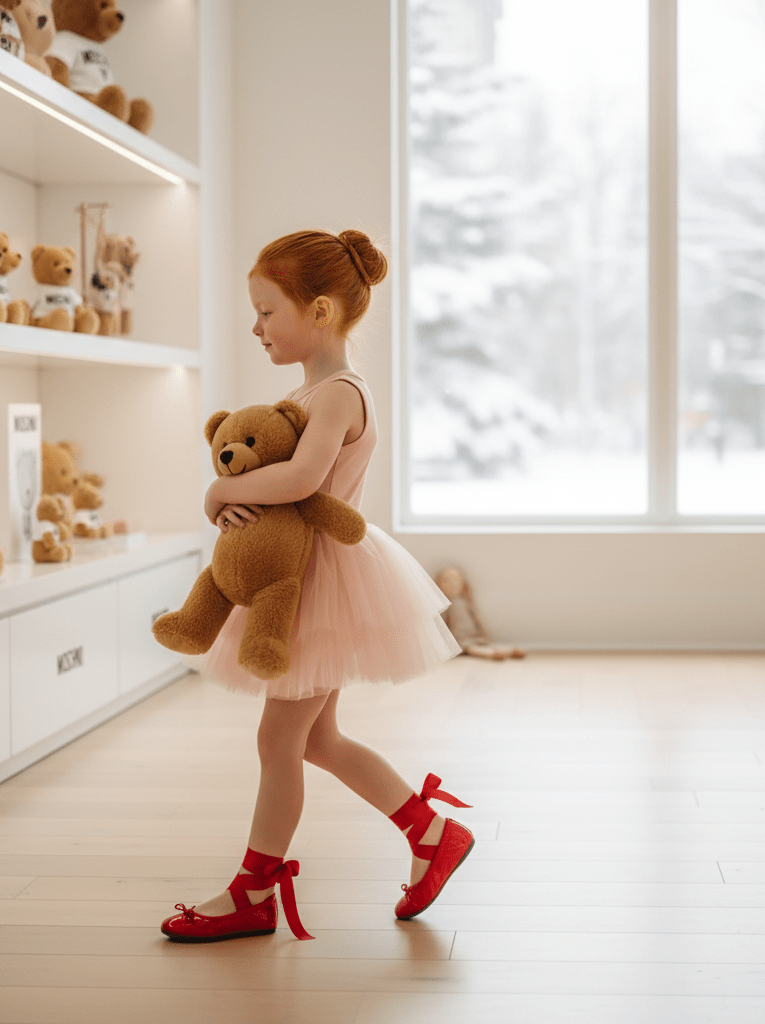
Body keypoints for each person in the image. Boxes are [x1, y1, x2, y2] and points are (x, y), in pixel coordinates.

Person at [160, 229, 470, 943]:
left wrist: (220, 488)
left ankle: (254, 892)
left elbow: (302, 481)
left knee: (280, 739)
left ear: (321, 311)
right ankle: (431, 834)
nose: (257, 326)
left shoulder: (336, 395)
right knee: (315, 739)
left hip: (318, 582)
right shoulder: (310, 390)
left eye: (268, 311)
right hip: (308, 574)